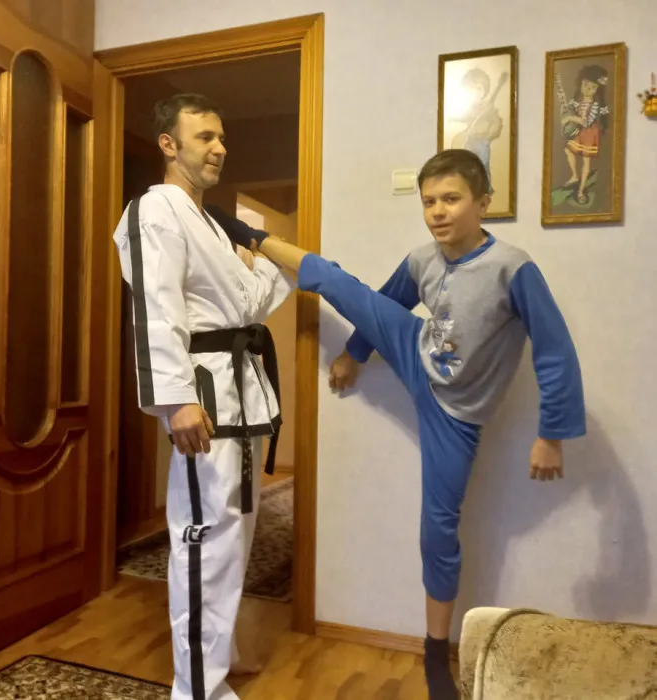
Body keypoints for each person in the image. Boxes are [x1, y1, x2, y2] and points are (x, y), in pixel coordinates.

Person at [211, 148, 586, 700]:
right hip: (415, 351)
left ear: (483, 203)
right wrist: (354, 354)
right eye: (429, 201)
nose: (438, 211)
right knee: (339, 283)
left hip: (458, 413)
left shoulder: (514, 267)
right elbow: (385, 303)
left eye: (451, 199)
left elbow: (554, 349)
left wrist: (551, 434)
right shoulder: (421, 260)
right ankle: (248, 233)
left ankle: (435, 651)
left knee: (438, 531)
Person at [112, 93, 295, 700]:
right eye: (205, 137)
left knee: (234, 536)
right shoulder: (154, 210)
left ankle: (219, 655)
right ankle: (197, 690)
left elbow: (248, 304)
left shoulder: (211, 222)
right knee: (203, 540)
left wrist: (263, 260)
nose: (219, 148)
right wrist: (175, 400)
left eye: (221, 138)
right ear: (169, 144)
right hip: (203, 399)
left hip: (243, 395)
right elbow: (154, 308)